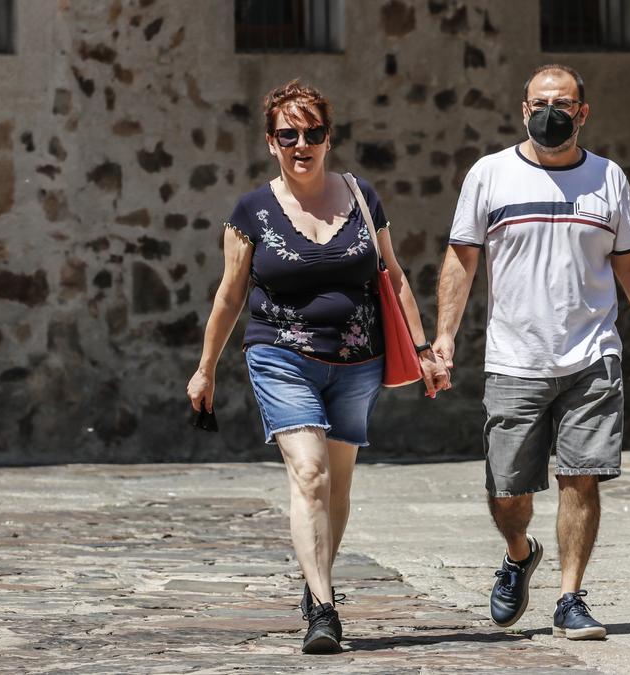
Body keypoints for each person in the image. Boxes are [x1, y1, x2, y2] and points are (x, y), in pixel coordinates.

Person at [185, 80, 449, 654]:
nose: (301, 144)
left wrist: (425, 350)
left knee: (338, 482)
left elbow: (395, 276)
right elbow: (230, 295)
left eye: (313, 133)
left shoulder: (361, 196)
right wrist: (206, 367)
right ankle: (325, 610)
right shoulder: (251, 210)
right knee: (310, 474)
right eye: (288, 135)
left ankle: (314, 582)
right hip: (279, 355)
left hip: (358, 362)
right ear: (270, 141)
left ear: (329, 139)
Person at [432, 64, 630, 640]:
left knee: (580, 477)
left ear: (582, 113)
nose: (550, 112)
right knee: (509, 491)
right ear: (523, 110)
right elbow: (461, 259)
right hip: (514, 359)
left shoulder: (608, 179)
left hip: (592, 354)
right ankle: (520, 552)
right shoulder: (490, 176)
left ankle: (570, 596)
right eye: (540, 103)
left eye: (563, 104)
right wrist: (442, 337)